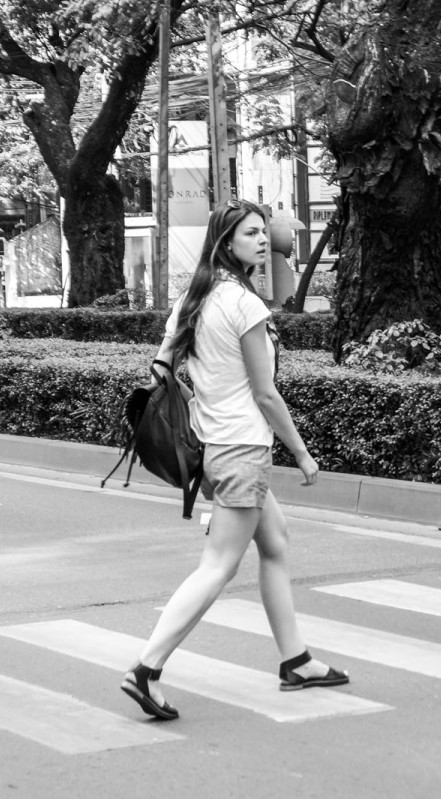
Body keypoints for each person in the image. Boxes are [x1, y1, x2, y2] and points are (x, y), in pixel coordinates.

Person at [121, 199, 347, 720]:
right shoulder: (245, 306)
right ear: (228, 244)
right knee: (218, 565)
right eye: (251, 234)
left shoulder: (194, 299)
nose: (263, 240)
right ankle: (145, 668)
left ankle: (296, 660)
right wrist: (303, 453)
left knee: (274, 542)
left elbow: (160, 368)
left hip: (213, 449)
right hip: (242, 449)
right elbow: (266, 395)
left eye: (264, 232)